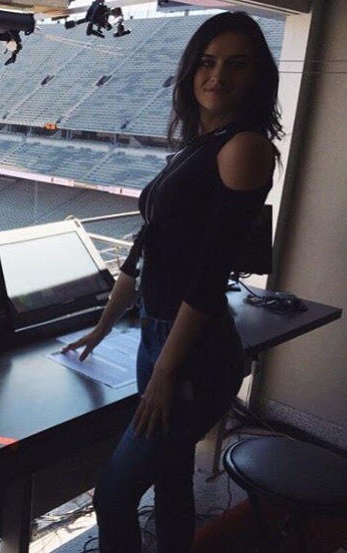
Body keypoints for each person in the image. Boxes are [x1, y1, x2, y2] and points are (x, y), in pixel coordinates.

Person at [61, 11, 283, 553]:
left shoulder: (243, 147)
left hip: (192, 353)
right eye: (207, 63)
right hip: (160, 337)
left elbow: (208, 276)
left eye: (236, 65)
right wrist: (102, 326)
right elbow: (144, 252)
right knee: (172, 478)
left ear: (257, 76)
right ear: (190, 71)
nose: (217, 76)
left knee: (113, 493)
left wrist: (166, 368)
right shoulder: (200, 146)